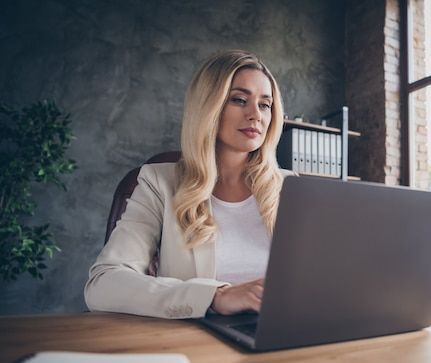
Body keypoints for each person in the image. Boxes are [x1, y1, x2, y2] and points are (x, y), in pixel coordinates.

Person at [85, 50, 296, 319]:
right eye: (239, 100)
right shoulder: (158, 183)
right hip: (199, 340)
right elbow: (103, 283)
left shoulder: (292, 188)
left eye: (265, 104)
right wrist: (214, 296)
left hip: (285, 336)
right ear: (209, 106)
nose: (256, 114)